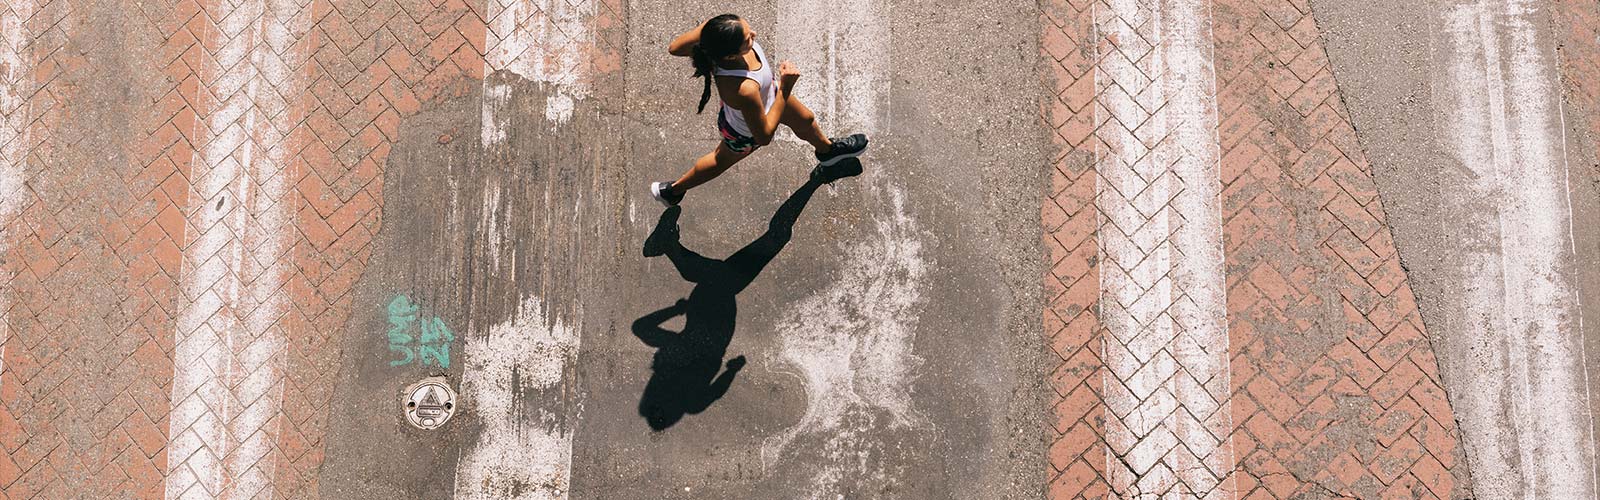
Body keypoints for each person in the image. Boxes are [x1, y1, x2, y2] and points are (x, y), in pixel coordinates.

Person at [649, 14, 868, 207]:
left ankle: (828, 152)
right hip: (746, 130)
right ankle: (672, 191)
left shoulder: (715, 36)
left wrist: (706, 31)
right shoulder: (744, 88)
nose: (754, 34)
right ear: (730, 56)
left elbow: (674, 48)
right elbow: (763, 136)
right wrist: (784, 89)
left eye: (747, 28)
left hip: (768, 97)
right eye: (748, 39)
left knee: (806, 120)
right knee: (719, 160)